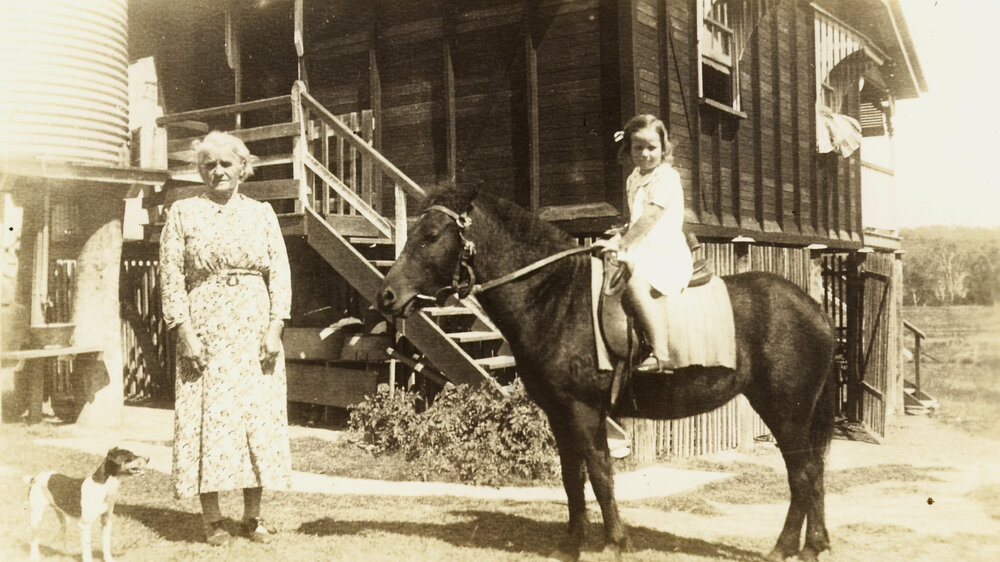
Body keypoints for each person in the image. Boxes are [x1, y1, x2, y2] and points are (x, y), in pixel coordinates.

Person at [159, 131, 292, 545]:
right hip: (206, 332)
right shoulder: (183, 213)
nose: (217, 171)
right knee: (208, 422)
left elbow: (280, 274)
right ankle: (213, 519)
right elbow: (170, 278)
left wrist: (275, 328)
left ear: (242, 168)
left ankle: (253, 517)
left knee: (257, 419)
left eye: (225, 164)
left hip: (255, 332)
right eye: (208, 165)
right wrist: (184, 332)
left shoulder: (262, 213)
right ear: (201, 172)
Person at [598, 114, 693, 373]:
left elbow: (651, 216)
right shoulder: (633, 178)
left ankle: (661, 353)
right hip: (642, 246)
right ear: (628, 149)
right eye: (638, 147)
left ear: (664, 149)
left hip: (665, 253)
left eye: (652, 147)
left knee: (636, 285)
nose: (645, 154)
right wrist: (621, 232)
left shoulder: (666, 177)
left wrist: (622, 243)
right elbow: (637, 218)